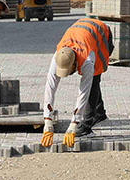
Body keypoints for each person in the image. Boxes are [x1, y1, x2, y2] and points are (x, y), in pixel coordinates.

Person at [40, 18, 112, 148]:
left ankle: (87, 125)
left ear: (75, 63)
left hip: (101, 34)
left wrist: (74, 123)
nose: (66, 74)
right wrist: (47, 121)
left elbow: (83, 92)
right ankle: (100, 114)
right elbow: (50, 88)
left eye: (68, 71)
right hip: (83, 31)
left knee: (94, 79)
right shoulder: (58, 57)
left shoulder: (87, 60)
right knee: (92, 82)